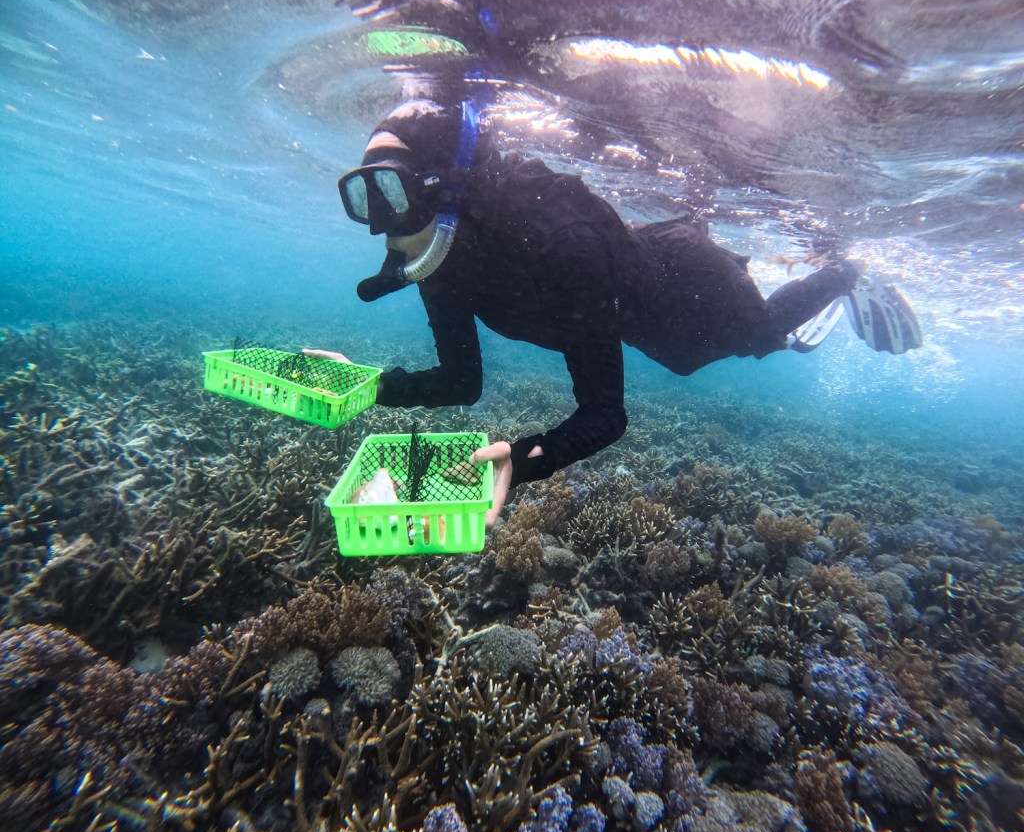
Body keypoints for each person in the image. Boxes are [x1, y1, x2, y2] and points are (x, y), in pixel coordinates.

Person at [309, 99, 922, 524]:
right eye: (366, 196)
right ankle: (768, 283)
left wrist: (526, 461)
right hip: (632, 310)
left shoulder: (561, 239)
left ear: (444, 188)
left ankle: (845, 272)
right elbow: (461, 382)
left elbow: (605, 414)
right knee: (683, 364)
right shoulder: (440, 255)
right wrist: (368, 387)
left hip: (688, 282)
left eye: (389, 189)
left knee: (755, 336)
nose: (378, 225)